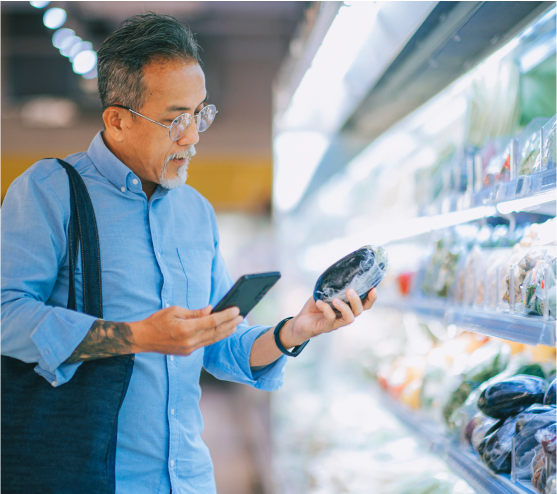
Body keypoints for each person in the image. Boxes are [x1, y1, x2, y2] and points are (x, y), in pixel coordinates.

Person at [1, 12, 377, 494]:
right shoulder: (49, 191)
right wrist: (136, 336)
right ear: (117, 120)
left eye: (201, 114)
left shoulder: (195, 212)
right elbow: (6, 314)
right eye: (176, 119)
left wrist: (298, 329)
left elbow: (218, 344)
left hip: (189, 479)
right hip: (86, 474)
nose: (194, 136)